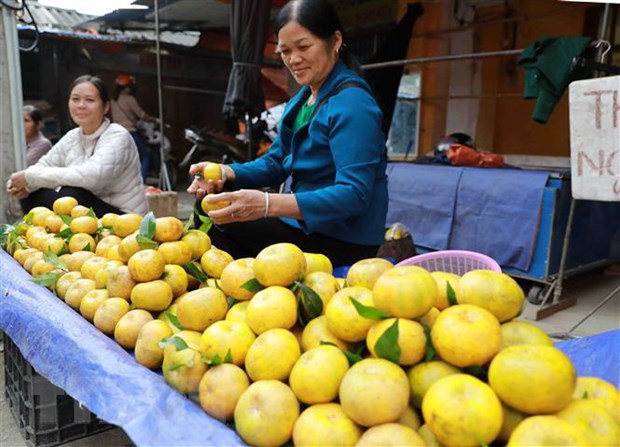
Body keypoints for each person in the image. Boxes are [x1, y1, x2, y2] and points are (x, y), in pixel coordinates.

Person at [187, 0, 388, 267]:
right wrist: (227, 173)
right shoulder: (304, 98)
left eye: (304, 47)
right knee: (212, 205)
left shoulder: (353, 105)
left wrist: (268, 204)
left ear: (335, 40)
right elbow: (276, 162)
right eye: (285, 51)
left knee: (219, 221)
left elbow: (354, 195)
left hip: (341, 238)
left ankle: (232, 294)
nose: (293, 59)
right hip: (304, 225)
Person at [6, 75, 148, 216]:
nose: (81, 105)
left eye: (89, 100)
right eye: (75, 99)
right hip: (90, 214)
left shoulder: (117, 135)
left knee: (70, 194)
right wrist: (24, 184)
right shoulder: (72, 136)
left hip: (124, 219)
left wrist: (30, 176)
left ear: (105, 107)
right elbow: (45, 164)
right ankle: (37, 234)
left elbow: (91, 176)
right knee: (30, 192)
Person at [110, 74, 158, 180]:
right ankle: (140, 181)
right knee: (145, 155)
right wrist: (155, 120)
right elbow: (141, 115)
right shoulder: (129, 98)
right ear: (127, 88)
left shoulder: (113, 101)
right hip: (130, 132)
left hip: (115, 133)